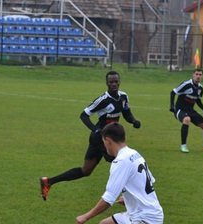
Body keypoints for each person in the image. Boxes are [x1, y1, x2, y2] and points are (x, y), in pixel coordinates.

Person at [39, 70, 141, 201]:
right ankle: (128, 196)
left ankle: (48, 182)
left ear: (119, 82)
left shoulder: (123, 96)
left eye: (116, 81)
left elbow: (127, 113)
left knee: (86, 171)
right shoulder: (102, 100)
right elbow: (84, 115)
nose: (114, 84)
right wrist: (95, 130)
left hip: (110, 139)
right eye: (111, 82)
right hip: (100, 139)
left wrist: (134, 121)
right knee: (120, 162)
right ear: (106, 83)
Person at [170, 68, 203, 153]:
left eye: (200, 74)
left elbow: (198, 100)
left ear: (202, 76)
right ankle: (183, 146)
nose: (198, 76)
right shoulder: (186, 84)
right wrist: (172, 106)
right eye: (196, 74)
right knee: (187, 119)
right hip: (180, 109)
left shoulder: (200, 88)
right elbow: (173, 92)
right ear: (193, 75)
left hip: (191, 110)